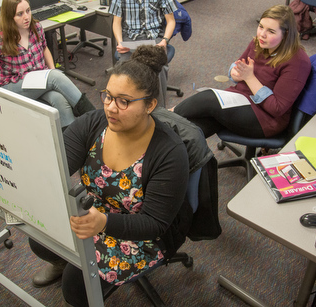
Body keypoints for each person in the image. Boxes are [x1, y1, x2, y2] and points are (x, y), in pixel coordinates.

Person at [28, 45, 193, 307]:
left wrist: (103, 223)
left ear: (150, 105)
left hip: (142, 235)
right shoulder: (94, 123)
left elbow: (155, 223)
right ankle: (65, 261)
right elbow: (57, 166)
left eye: (124, 101)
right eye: (108, 96)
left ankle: (81, 272)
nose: (111, 108)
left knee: (76, 288)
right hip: (94, 213)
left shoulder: (168, 152)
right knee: (38, 236)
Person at [173, 5, 312, 139]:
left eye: (271, 31)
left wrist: (249, 78)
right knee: (191, 130)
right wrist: (235, 73)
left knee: (209, 98)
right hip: (240, 99)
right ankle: (170, 149)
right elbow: (237, 66)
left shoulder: (297, 61)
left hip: (265, 119)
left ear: (286, 34)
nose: (262, 34)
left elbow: (276, 108)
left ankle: (164, 116)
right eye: (261, 27)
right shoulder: (259, 43)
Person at [0, 0, 94, 127]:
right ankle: (96, 118)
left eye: (28, 11)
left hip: (38, 80)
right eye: (20, 14)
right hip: (13, 85)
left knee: (59, 99)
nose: (26, 17)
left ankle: (72, 143)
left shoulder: (35, 27)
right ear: (9, 17)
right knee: (55, 77)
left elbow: (44, 48)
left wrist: (51, 70)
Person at [109, 0, 177, 106]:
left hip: (154, 39)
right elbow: (116, 23)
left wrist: (165, 41)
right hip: (130, 40)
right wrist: (120, 42)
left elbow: (171, 21)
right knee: (123, 71)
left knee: (157, 69)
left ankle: (159, 112)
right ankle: (127, 109)